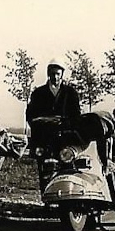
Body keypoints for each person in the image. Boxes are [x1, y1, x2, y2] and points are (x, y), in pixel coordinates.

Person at [26, 59, 81, 191]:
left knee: (66, 168)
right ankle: (46, 198)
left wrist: (64, 123)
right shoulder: (38, 93)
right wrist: (41, 123)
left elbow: (76, 116)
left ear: (62, 74)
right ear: (48, 74)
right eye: (52, 74)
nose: (55, 77)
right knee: (45, 169)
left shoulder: (70, 93)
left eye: (57, 73)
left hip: (64, 138)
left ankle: (65, 200)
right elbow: (30, 115)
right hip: (44, 139)